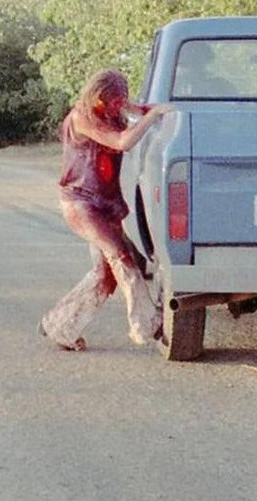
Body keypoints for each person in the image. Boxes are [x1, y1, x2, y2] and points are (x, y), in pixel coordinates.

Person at [39, 69, 173, 351]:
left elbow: (131, 112)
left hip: (105, 204)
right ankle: (146, 323)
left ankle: (60, 326)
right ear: (98, 95)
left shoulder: (110, 112)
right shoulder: (82, 117)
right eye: (114, 100)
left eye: (120, 100)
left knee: (105, 275)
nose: (118, 105)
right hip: (81, 203)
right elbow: (121, 142)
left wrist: (140, 108)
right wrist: (151, 116)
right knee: (122, 256)